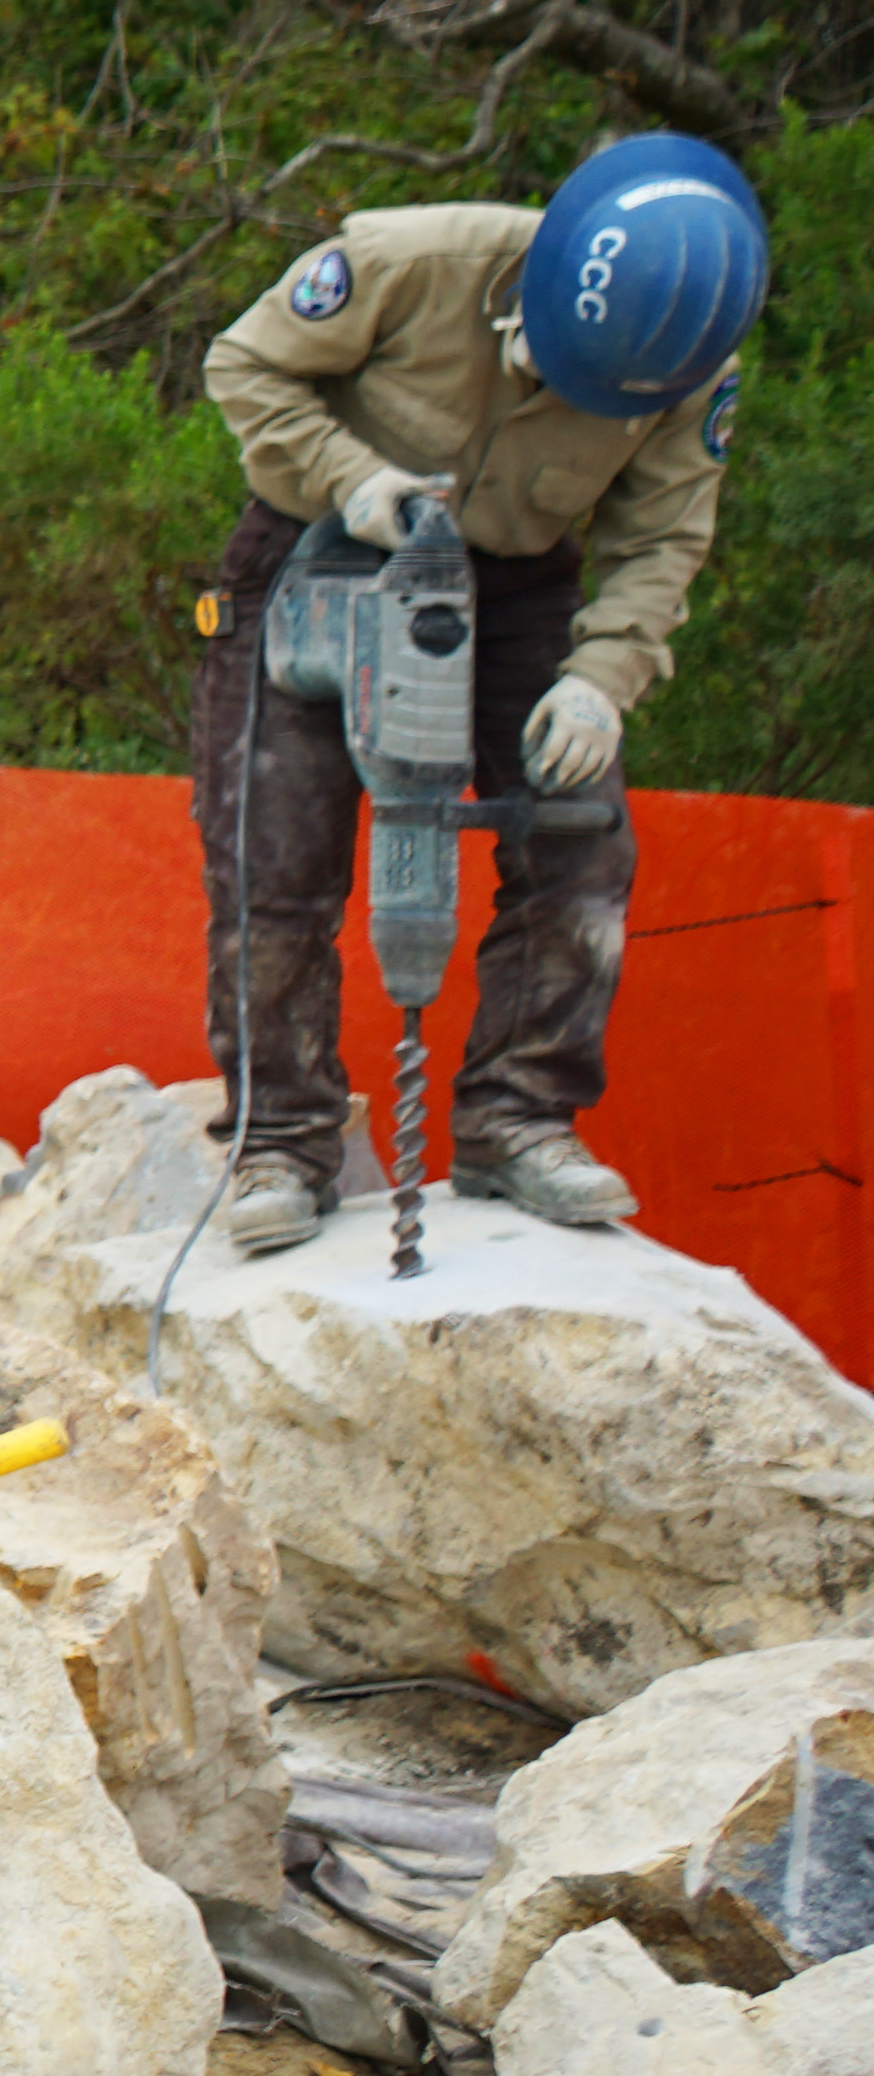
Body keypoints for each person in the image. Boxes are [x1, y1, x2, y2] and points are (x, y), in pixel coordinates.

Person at [190, 134, 771, 1253]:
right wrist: (352, 478)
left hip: (516, 586)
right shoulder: (411, 260)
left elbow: (663, 536)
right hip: (319, 555)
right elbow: (245, 366)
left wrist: (602, 679)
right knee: (273, 859)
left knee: (581, 844)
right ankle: (282, 1141)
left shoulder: (691, 357)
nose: (561, 394)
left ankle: (519, 1118)